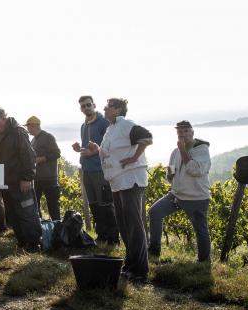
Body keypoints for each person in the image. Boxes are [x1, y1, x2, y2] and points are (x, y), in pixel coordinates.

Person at [85, 98, 153, 282]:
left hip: (131, 179)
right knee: (123, 224)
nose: (104, 109)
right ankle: (130, 264)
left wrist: (134, 158)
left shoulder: (126, 124)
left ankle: (140, 270)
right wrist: (96, 150)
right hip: (117, 181)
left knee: (134, 224)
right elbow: (110, 152)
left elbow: (146, 137)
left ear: (118, 110)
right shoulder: (110, 129)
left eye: (108, 107)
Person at [148, 121, 211, 262]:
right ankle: (154, 251)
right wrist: (170, 175)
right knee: (154, 212)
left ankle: (204, 262)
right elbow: (171, 169)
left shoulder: (202, 150)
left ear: (192, 132)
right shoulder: (175, 151)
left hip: (196, 198)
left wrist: (183, 150)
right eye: (179, 132)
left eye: (185, 131)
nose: (182, 135)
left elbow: (195, 170)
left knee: (201, 230)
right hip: (176, 195)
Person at [0, 106, 42, 251]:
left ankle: (35, 244)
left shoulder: (18, 132)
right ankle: (22, 242)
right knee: (12, 214)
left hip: (21, 181)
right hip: (6, 182)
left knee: (27, 213)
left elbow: (29, 156)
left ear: (4, 118)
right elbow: (0, 156)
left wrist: (27, 178)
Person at [72, 96, 119, 244]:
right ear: (80, 109)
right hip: (87, 170)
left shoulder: (104, 122)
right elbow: (89, 147)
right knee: (94, 204)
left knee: (105, 204)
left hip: (101, 170)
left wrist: (93, 152)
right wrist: (80, 149)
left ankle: (113, 238)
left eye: (88, 105)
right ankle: (102, 236)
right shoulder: (83, 125)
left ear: (94, 105)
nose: (86, 108)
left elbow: (111, 144)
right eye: (83, 106)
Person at [25, 116, 61, 221]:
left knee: (53, 206)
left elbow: (56, 153)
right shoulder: (33, 140)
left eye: (28, 126)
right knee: (35, 205)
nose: (28, 129)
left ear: (34, 126)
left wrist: (40, 159)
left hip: (50, 178)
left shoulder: (48, 137)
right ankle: (40, 228)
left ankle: (58, 229)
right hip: (36, 178)